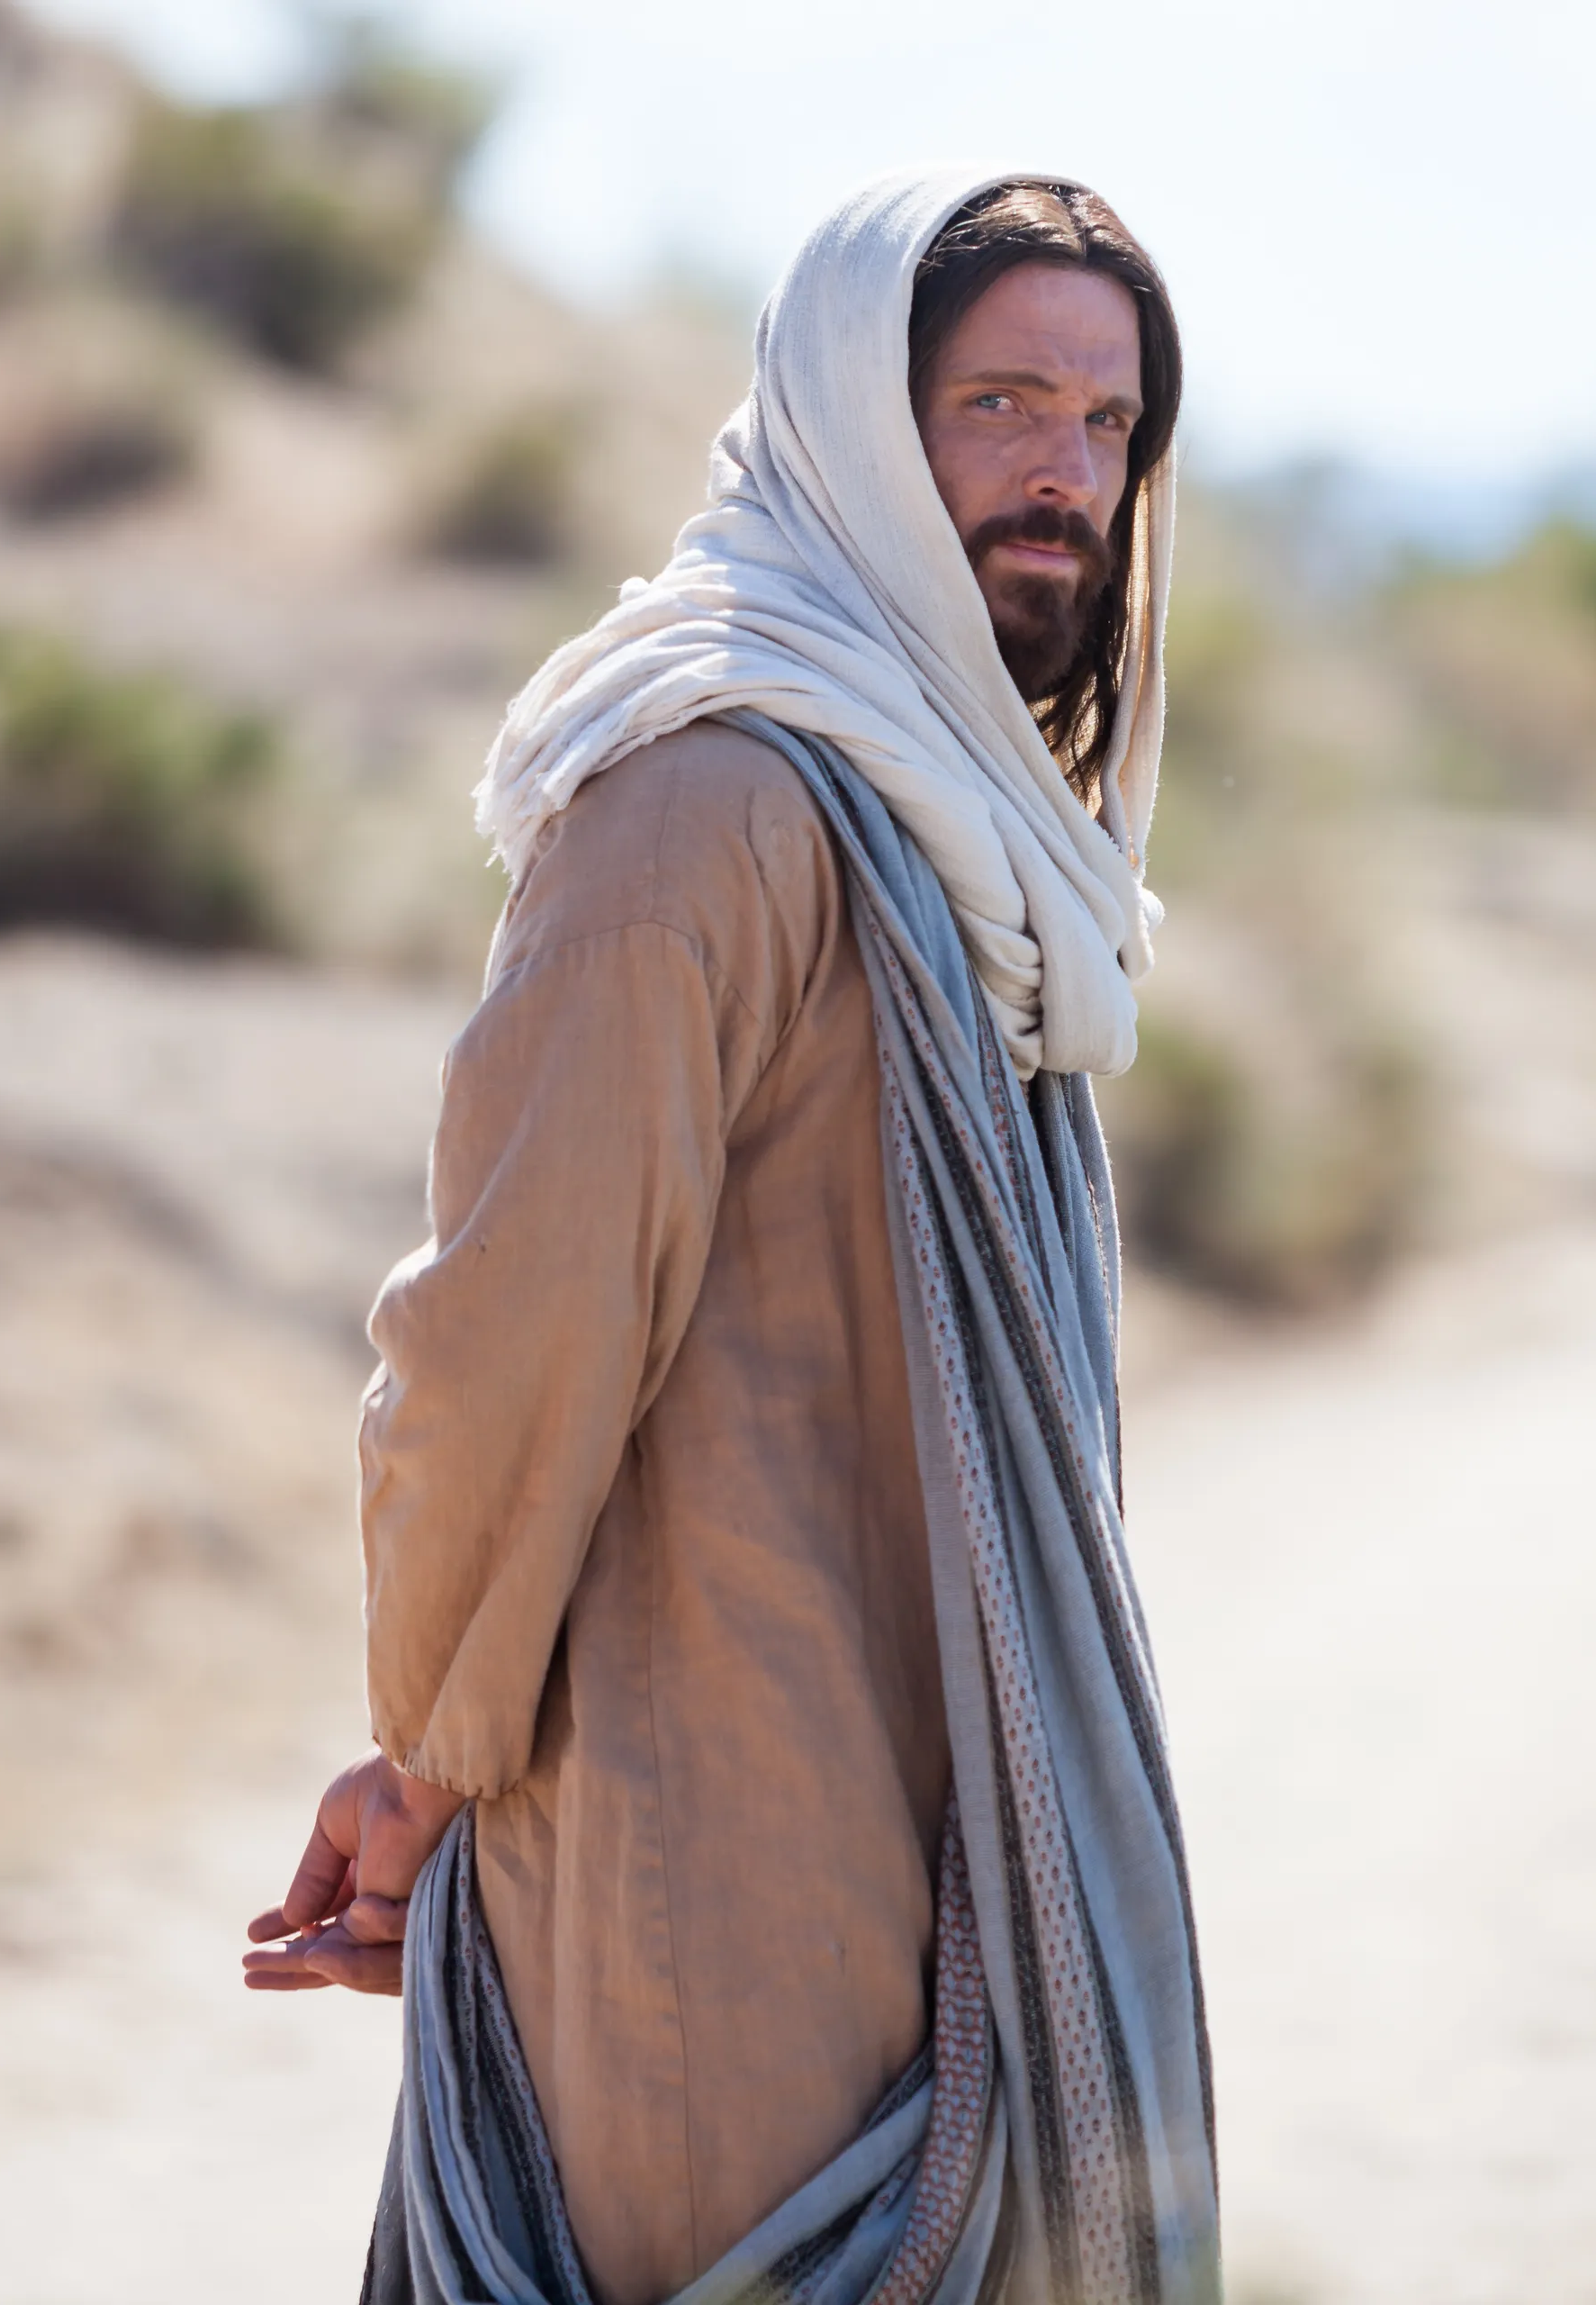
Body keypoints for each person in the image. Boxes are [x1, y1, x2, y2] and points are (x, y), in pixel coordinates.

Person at [241, 168, 1222, 2305]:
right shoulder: (706, 808)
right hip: (713, 1880)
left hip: (955, 1849)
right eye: (998, 404)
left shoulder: (977, 848)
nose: (1064, 475)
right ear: (858, 421)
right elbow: (509, 1337)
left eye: (1107, 422)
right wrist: (430, 1755)